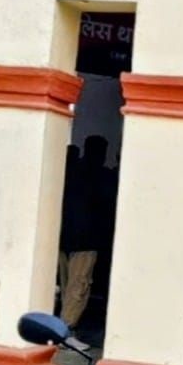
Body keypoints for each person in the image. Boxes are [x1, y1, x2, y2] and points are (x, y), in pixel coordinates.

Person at [57, 135, 117, 331]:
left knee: (69, 285)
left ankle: (63, 326)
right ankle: (66, 328)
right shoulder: (102, 176)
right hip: (87, 239)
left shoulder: (71, 171)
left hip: (66, 236)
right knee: (79, 285)